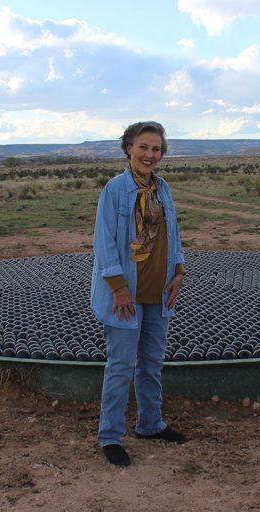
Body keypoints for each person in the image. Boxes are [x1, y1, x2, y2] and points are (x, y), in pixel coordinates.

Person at [90, 120, 188, 467]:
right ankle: (110, 435)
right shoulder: (115, 190)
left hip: (158, 292)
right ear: (128, 148)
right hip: (126, 295)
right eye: (143, 147)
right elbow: (104, 243)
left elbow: (173, 236)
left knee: (151, 364)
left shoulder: (163, 189)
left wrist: (178, 271)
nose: (150, 154)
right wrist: (117, 288)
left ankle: (151, 424)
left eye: (156, 149)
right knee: (120, 366)